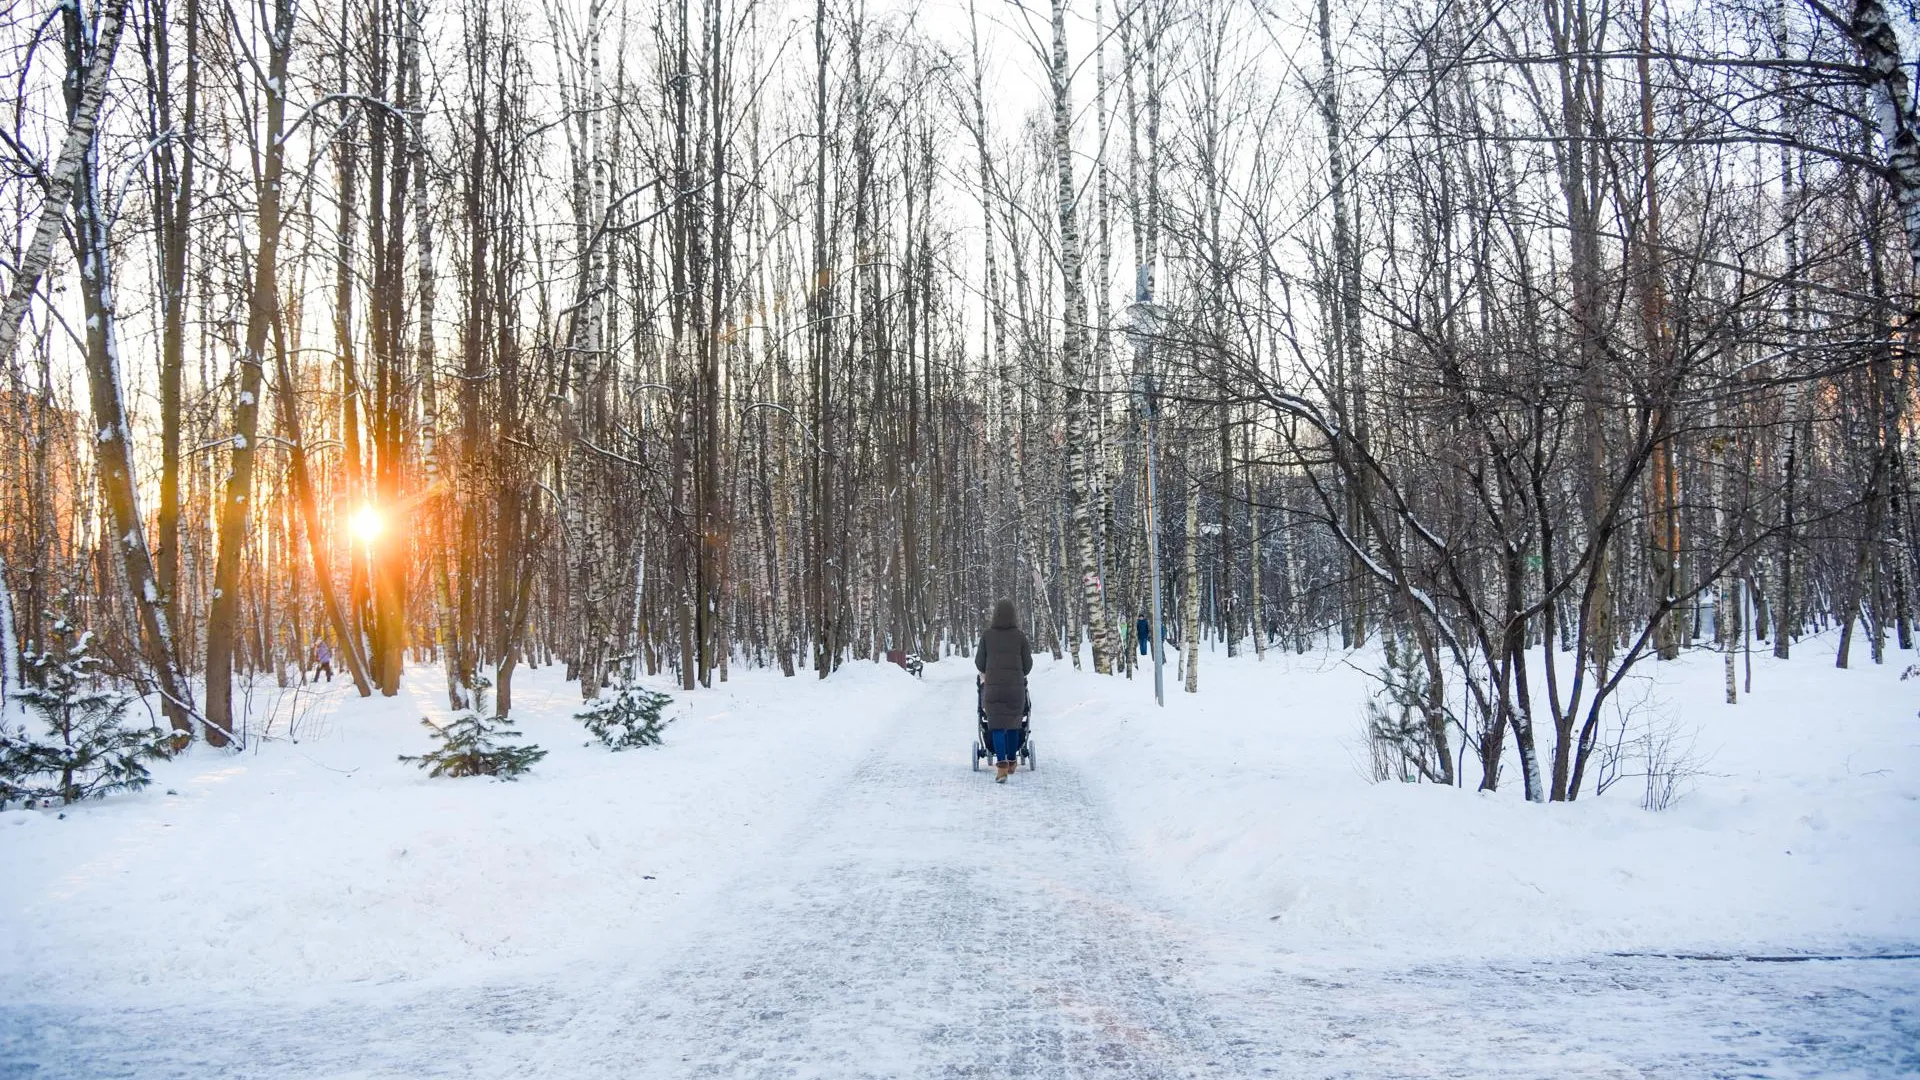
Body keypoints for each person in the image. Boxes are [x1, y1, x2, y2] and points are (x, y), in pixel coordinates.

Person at [974, 598, 1033, 783]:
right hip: (1015, 689)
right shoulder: (1020, 637)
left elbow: (979, 663)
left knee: (997, 726)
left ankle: (1001, 767)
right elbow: (1028, 665)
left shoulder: (987, 636)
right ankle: (1013, 760)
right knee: (1014, 725)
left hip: (993, 689)